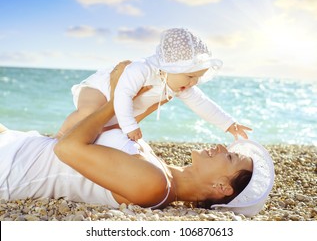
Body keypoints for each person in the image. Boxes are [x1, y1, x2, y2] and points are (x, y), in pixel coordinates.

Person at [0, 62, 274, 217]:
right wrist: (138, 106)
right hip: (21, 145)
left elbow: (67, 147)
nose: (221, 146)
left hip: (12, 168)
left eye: (229, 156)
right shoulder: (161, 172)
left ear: (222, 187)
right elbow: (98, 133)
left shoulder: (153, 186)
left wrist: (119, 94)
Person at [56, 28, 252, 153]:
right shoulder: (141, 69)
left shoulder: (180, 85)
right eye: (190, 76)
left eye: (197, 78)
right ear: (172, 67)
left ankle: (80, 141)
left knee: (102, 130)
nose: (194, 82)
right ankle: (59, 136)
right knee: (89, 113)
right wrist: (130, 126)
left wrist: (229, 124)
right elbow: (122, 94)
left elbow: (202, 104)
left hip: (124, 107)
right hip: (100, 89)